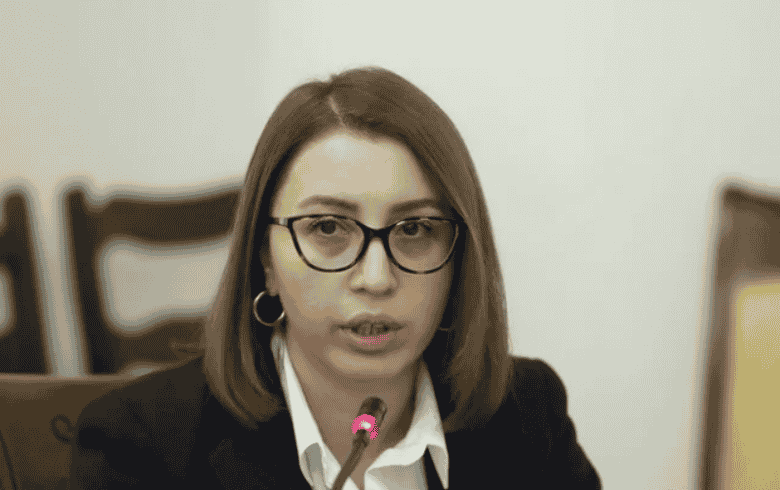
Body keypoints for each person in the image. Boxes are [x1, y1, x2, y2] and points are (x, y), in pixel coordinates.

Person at [70, 66, 601, 489]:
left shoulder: (527, 415)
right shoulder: (139, 446)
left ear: (460, 257)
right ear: (264, 257)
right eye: (327, 228)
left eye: (415, 229)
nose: (376, 278)